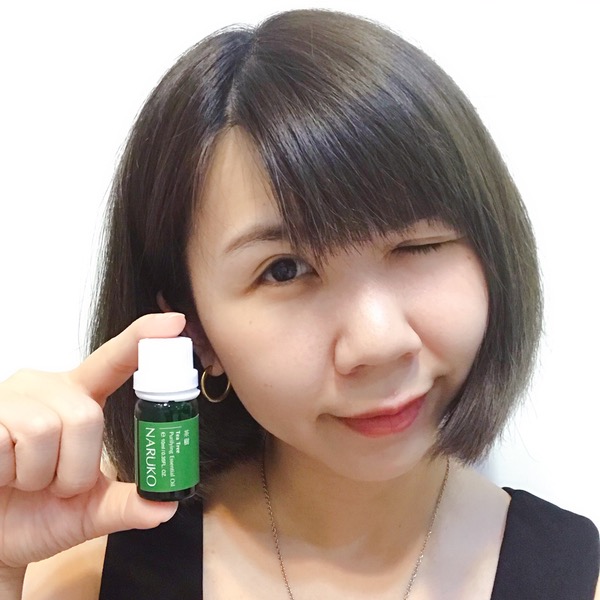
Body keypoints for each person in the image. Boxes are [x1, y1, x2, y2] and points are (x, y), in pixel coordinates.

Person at [0, 8, 598, 600]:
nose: (378, 342)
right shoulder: (80, 571)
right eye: (284, 270)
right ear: (196, 332)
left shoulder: (577, 579)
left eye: (417, 245)